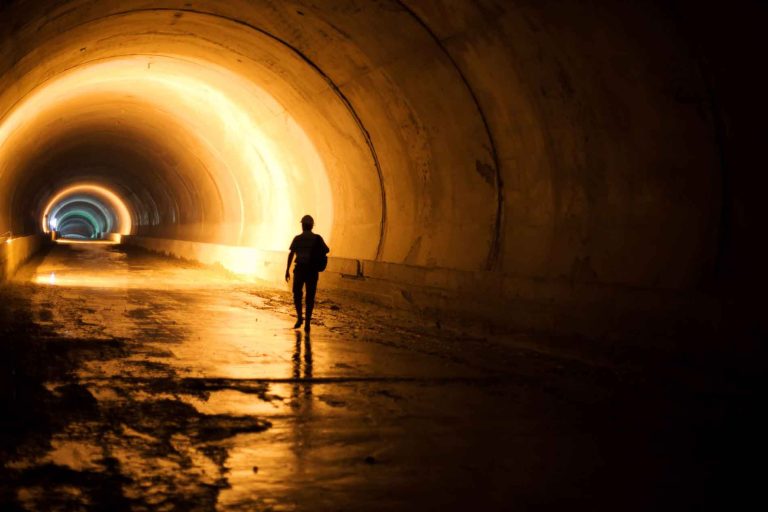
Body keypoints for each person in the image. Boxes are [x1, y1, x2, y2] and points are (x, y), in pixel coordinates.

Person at [285, 215, 329, 332]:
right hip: (312, 270)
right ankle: (307, 323)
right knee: (310, 296)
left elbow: (291, 254)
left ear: (303, 225)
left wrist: (287, 270)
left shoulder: (297, 238)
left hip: (300, 269)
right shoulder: (317, 238)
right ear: (312, 225)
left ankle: (300, 318)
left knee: (297, 294)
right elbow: (326, 250)